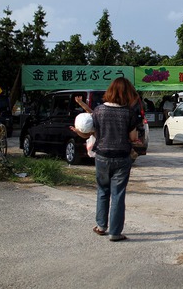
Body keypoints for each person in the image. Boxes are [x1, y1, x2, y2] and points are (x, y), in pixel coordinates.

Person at [70, 78, 140, 242]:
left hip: (102, 156)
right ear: (128, 94)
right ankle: (115, 233)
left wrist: (77, 131)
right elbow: (133, 137)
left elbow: (88, 133)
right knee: (118, 195)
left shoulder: (99, 111)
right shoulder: (129, 113)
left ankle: (101, 226)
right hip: (122, 157)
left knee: (102, 191)